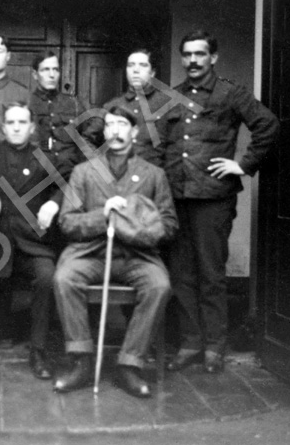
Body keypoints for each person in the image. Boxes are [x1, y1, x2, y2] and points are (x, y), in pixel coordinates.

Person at [163, 30, 279, 374]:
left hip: (213, 198)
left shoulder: (230, 93)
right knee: (181, 274)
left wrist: (243, 165)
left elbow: (267, 124)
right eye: (187, 55)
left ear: (213, 57)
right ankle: (190, 342)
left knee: (211, 274)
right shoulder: (174, 96)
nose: (193, 61)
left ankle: (214, 347)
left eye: (200, 54)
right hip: (176, 196)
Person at [52, 106, 178, 397]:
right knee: (63, 278)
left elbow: (170, 225)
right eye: (110, 125)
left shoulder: (153, 174)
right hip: (92, 252)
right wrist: (103, 216)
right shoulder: (83, 172)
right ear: (104, 133)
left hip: (137, 255)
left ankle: (129, 364)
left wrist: (137, 225)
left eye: (123, 124)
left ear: (134, 132)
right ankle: (82, 360)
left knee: (159, 285)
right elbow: (67, 223)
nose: (116, 131)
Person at [0, 102, 66, 379]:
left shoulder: (44, 158)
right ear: (2, 127)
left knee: (47, 277)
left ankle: (38, 349)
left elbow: (66, 185)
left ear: (32, 128)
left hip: (32, 241)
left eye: (22, 122)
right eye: (11, 122)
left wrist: (53, 203)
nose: (16, 127)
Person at [29, 50, 101, 179]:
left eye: (55, 70)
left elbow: (90, 137)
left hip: (68, 177)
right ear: (35, 74)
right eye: (45, 70)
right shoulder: (26, 103)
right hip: (35, 178)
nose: (52, 75)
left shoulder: (73, 103)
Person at [103, 48, 172, 167]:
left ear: (153, 72)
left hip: (152, 178)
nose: (135, 70)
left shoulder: (167, 104)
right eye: (131, 65)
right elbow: (87, 139)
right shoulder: (112, 105)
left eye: (143, 65)